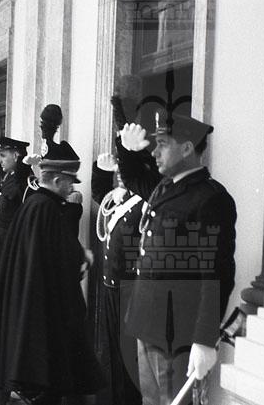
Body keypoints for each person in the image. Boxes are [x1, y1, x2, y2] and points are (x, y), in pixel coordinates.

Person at [0, 141, 104, 405]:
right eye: (69, 181)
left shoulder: (35, 204)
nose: (71, 187)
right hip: (40, 313)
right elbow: (56, 258)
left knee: (4, 383)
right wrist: (82, 256)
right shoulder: (46, 208)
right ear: (56, 180)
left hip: (21, 307)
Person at [118, 113, 237, 405]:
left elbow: (216, 276)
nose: (154, 152)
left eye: (162, 144)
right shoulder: (166, 187)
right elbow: (132, 177)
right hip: (147, 323)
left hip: (177, 334)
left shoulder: (210, 198)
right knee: (151, 400)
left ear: (186, 148)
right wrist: (126, 149)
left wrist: (204, 340)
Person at [92, 151, 158, 405]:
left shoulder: (146, 201)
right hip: (111, 285)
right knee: (112, 352)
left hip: (130, 289)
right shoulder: (122, 197)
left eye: (124, 169)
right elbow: (100, 195)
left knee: (127, 357)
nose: (120, 173)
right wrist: (101, 169)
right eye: (119, 169)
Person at [0, 136, 31, 269]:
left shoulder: (22, 180)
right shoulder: (10, 175)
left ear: (15, 156)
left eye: (3, 156)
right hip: (0, 243)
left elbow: (20, 179)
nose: (0, 160)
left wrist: (24, 164)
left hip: (10, 248)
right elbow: (3, 171)